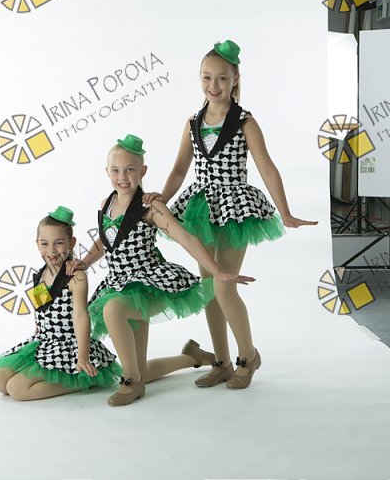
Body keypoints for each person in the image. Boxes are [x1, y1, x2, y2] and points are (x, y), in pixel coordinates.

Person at [144, 40, 316, 390]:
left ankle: (248, 357)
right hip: (200, 210)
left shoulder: (245, 122)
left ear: (235, 79)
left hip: (235, 209)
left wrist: (284, 212)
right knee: (209, 288)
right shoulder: (192, 122)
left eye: (222, 78)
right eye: (206, 77)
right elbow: (180, 169)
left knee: (224, 287)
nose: (214, 85)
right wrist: (161, 199)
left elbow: (266, 167)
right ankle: (221, 361)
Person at [68, 135, 254, 406]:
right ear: (107, 172)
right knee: (140, 368)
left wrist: (218, 271)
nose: (122, 177)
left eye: (130, 170)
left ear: (142, 171)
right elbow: (106, 239)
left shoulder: (150, 207)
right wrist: (85, 261)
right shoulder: (106, 203)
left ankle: (131, 383)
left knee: (112, 309)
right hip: (120, 284)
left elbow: (186, 238)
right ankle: (192, 357)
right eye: (116, 170)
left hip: (149, 284)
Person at [0, 206, 123, 400]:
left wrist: (82, 356)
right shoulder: (39, 275)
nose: (51, 250)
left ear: (71, 243)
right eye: (44, 244)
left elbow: (81, 316)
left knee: (17, 390)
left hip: (69, 347)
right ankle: (50, 373)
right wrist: (35, 339)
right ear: (37, 244)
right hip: (45, 342)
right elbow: (41, 311)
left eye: (59, 243)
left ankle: (81, 379)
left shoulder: (75, 276)